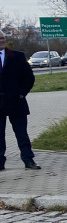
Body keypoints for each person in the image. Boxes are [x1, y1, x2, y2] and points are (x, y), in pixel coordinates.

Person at [0, 30, 40, 170]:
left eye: (3, 38)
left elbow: (29, 78)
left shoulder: (17, 56)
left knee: (22, 134)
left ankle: (28, 160)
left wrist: (21, 93)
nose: (2, 41)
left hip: (16, 101)